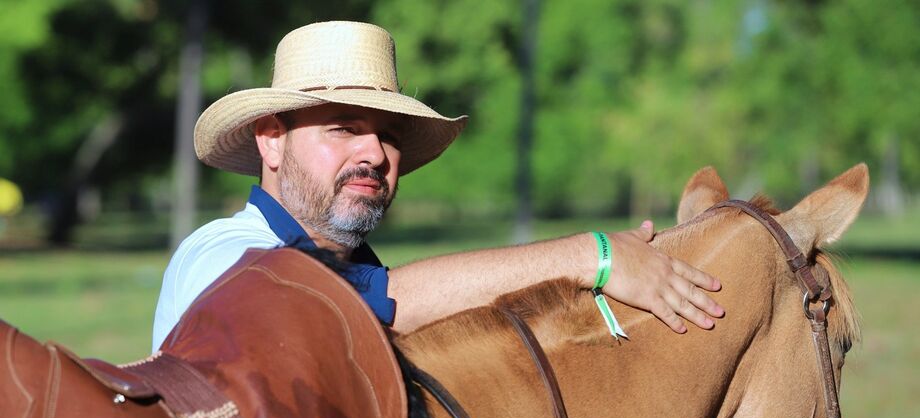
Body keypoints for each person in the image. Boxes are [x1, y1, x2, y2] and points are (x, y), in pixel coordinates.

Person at [152, 21, 723, 351]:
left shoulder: (365, 270)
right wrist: (593, 257)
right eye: (343, 128)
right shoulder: (219, 255)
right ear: (271, 141)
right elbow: (377, 302)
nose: (374, 153)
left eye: (387, 135)